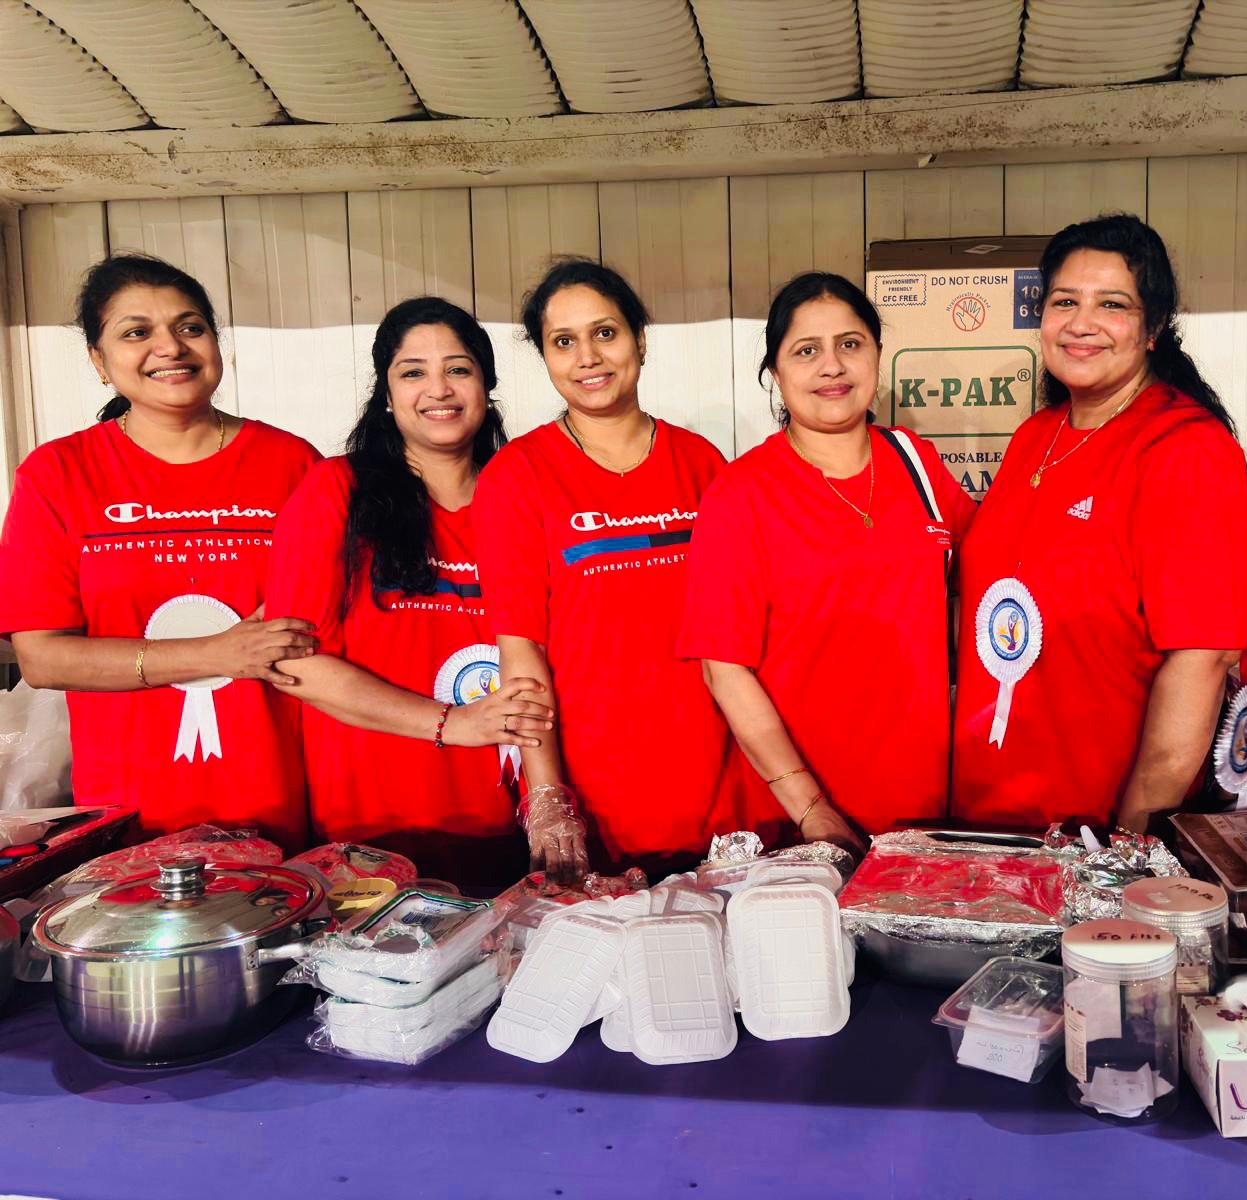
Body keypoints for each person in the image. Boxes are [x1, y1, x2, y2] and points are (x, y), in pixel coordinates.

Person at [0, 254, 320, 848]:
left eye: (189, 327)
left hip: (282, 793)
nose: (170, 347)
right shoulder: (58, 473)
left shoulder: (293, 464)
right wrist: (217, 653)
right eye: (136, 332)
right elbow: (42, 659)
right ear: (99, 361)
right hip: (130, 809)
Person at [951, 214, 1247, 834]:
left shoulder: (1184, 449)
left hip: (1096, 824)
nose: (1081, 323)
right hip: (991, 808)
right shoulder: (1036, 435)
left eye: (1112, 304)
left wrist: (1130, 840)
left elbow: (1200, 662)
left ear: (1153, 328)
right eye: (1065, 301)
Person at [680, 272, 977, 855]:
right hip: (794, 821)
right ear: (776, 372)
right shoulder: (742, 494)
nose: (832, 366)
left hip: (919, 802)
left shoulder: (915, 462)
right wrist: (812, 809)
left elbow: (994, 578)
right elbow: (724, 669)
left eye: (850, 343)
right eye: (806, 351)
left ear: (877, 354)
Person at [265, 297, 552, 888]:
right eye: (414, 371)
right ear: (387, 394)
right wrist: (452, 723)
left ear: (486, 385)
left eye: (458, 369)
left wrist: (551, 800)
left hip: (515, 830)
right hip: (376, 837)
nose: (438, 389)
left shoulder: (526, 495)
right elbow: (294, 665)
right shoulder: (336, 491)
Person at [473, 260, 734, 878]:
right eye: (563, 342)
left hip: (720, 776)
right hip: (599, 788)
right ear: (545, 356)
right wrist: (548, 798)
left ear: (639, 339)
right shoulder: (517, 475)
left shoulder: (702, 462)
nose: (587, 357)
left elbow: (734, 629)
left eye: (605, 333)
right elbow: (522, 650)